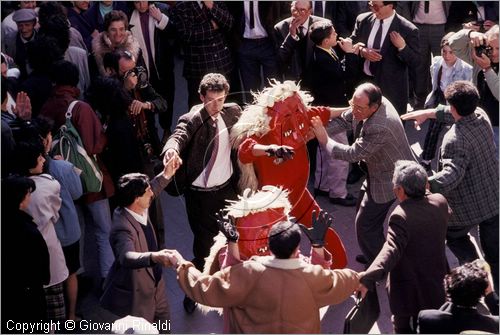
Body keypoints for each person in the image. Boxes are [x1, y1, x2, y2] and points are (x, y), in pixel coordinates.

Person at [165, 215, 360, 333]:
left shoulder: (249, 272)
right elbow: (343, 280)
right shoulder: (311, 275)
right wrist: (318, 247)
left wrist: (181, 264)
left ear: (270, 246)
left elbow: (204, 289)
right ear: (296, 249)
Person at [402, 81, 499, 294]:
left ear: (454, 107)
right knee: (495, 254)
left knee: (455, 237)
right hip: (492, 199)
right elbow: (454, 113)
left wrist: (426, 183)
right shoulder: (480, 115)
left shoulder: (454, 139)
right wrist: (427, 113)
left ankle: (479, 277)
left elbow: (452, 175)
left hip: (466, 208)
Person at [311, 82, 416, 266]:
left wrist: (323, 139)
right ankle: (375, 253)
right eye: (353, 104)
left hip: (387, 179)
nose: (354, 110)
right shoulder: (368, 104)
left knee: (366, 226)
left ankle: (383, 265)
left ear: (374, 107)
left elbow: (353, 154)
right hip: (375, 171)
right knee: (365, 219)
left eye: (359, 108)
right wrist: (312, 133)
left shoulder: (380, 126)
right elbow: (346, 119)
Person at [162, 73, 241, 314]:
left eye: (220, 99)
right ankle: (194, 291)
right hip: (200, 196)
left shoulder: (233, 111)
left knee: (232, 242)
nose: (215, 106)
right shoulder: (193, 118)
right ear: (201, 97)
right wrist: (170, 151)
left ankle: (228, 291)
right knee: (204, 247)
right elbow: (178, 136)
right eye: (210, 101)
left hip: (228, 191)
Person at [358, 160, 451, 333]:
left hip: (409, 289)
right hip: (436, 281)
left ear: (400, 190)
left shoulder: (401, 215)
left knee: (403, 328)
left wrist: (368, 277)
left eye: (395, 186)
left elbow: (390, 250)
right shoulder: (440, 202)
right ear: (425, 184)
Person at [100, 155, 181, 329]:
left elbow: (154, 187)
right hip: (139, 295)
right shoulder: (122, 227)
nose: (152, 193)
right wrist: (155, 257)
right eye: (147, 192)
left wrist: (167, 174)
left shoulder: (137, 204)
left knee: (165, 325)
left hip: (157, 286)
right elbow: (126, 257)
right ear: (136, 198)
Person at [307, 20, 359, 206]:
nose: (337, 34)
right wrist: (351, 53)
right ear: (326, 40)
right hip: (332, 112)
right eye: (333, 33)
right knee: (339, 153)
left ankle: (323, 185)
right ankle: (338, 193)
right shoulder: (323, 59)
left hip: (323, 111)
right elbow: (345, 76)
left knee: (323, 149)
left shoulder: (321, 52)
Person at [350, 1, 420, 116]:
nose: (373, 10)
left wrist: (402, 47)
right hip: (363, 83)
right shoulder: (363, 20)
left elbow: (415, 62)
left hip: (391, 90)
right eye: (371, 5)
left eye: (377, 7)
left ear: (390, 6)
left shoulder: (407, 29)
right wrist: (362, 51)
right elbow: (352, 43)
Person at [1, 175, 50, 330]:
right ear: (20, 199)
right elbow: (41, 267)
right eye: (28, 193)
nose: (30, 197)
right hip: (28, 294)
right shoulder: (28, 231)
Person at [420, 32, 473, 173]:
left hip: (455, 100)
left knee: (453, 133)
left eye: (452, 52)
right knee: (433, 130)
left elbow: (467, 89)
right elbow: (435, 82)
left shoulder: (466, 68)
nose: (447, 55)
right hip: (440, 97)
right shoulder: (437, 62)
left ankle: (450, 164)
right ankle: (426, 160)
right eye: (444, 51)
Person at [169, 1, 234, 108]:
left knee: (228, 106)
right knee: (199, 108)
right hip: (199, 67)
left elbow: (229, 23)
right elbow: (186, 34)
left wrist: (212, 6)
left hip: (222, 63)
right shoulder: (182, 6)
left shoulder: (216, 2)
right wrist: (211, 26)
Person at [129, 1, 176, 140]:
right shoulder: (129, 15)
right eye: (136, 1)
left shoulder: (163, 9)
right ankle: (153, 139)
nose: (141, 4)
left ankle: (167, 130)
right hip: (142, 70)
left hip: (163, 67)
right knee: (146, 103)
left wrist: (161, 19)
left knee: (166, 100)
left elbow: (175, 35)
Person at [448, 24, 499, 149]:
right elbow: (453, 44)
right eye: (490, 48)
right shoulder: (480, 58)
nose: (494, 53)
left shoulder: (484, 64)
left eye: (498, 48)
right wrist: (470, 33)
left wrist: (487, 69)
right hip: (478, 121)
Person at [418, 261, 499, 334]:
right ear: (483, 292)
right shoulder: (493, 324)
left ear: (447, 290)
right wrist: (490, 295)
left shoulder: (427, 319)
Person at [274, 0, 327, 82]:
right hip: (294, 80)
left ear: (310, 12)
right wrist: (291, 36)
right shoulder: (280, 28)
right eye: (294, 10)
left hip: (318, 78)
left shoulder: (323, 25)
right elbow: (280, 59)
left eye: (302, 10)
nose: (297, 14)